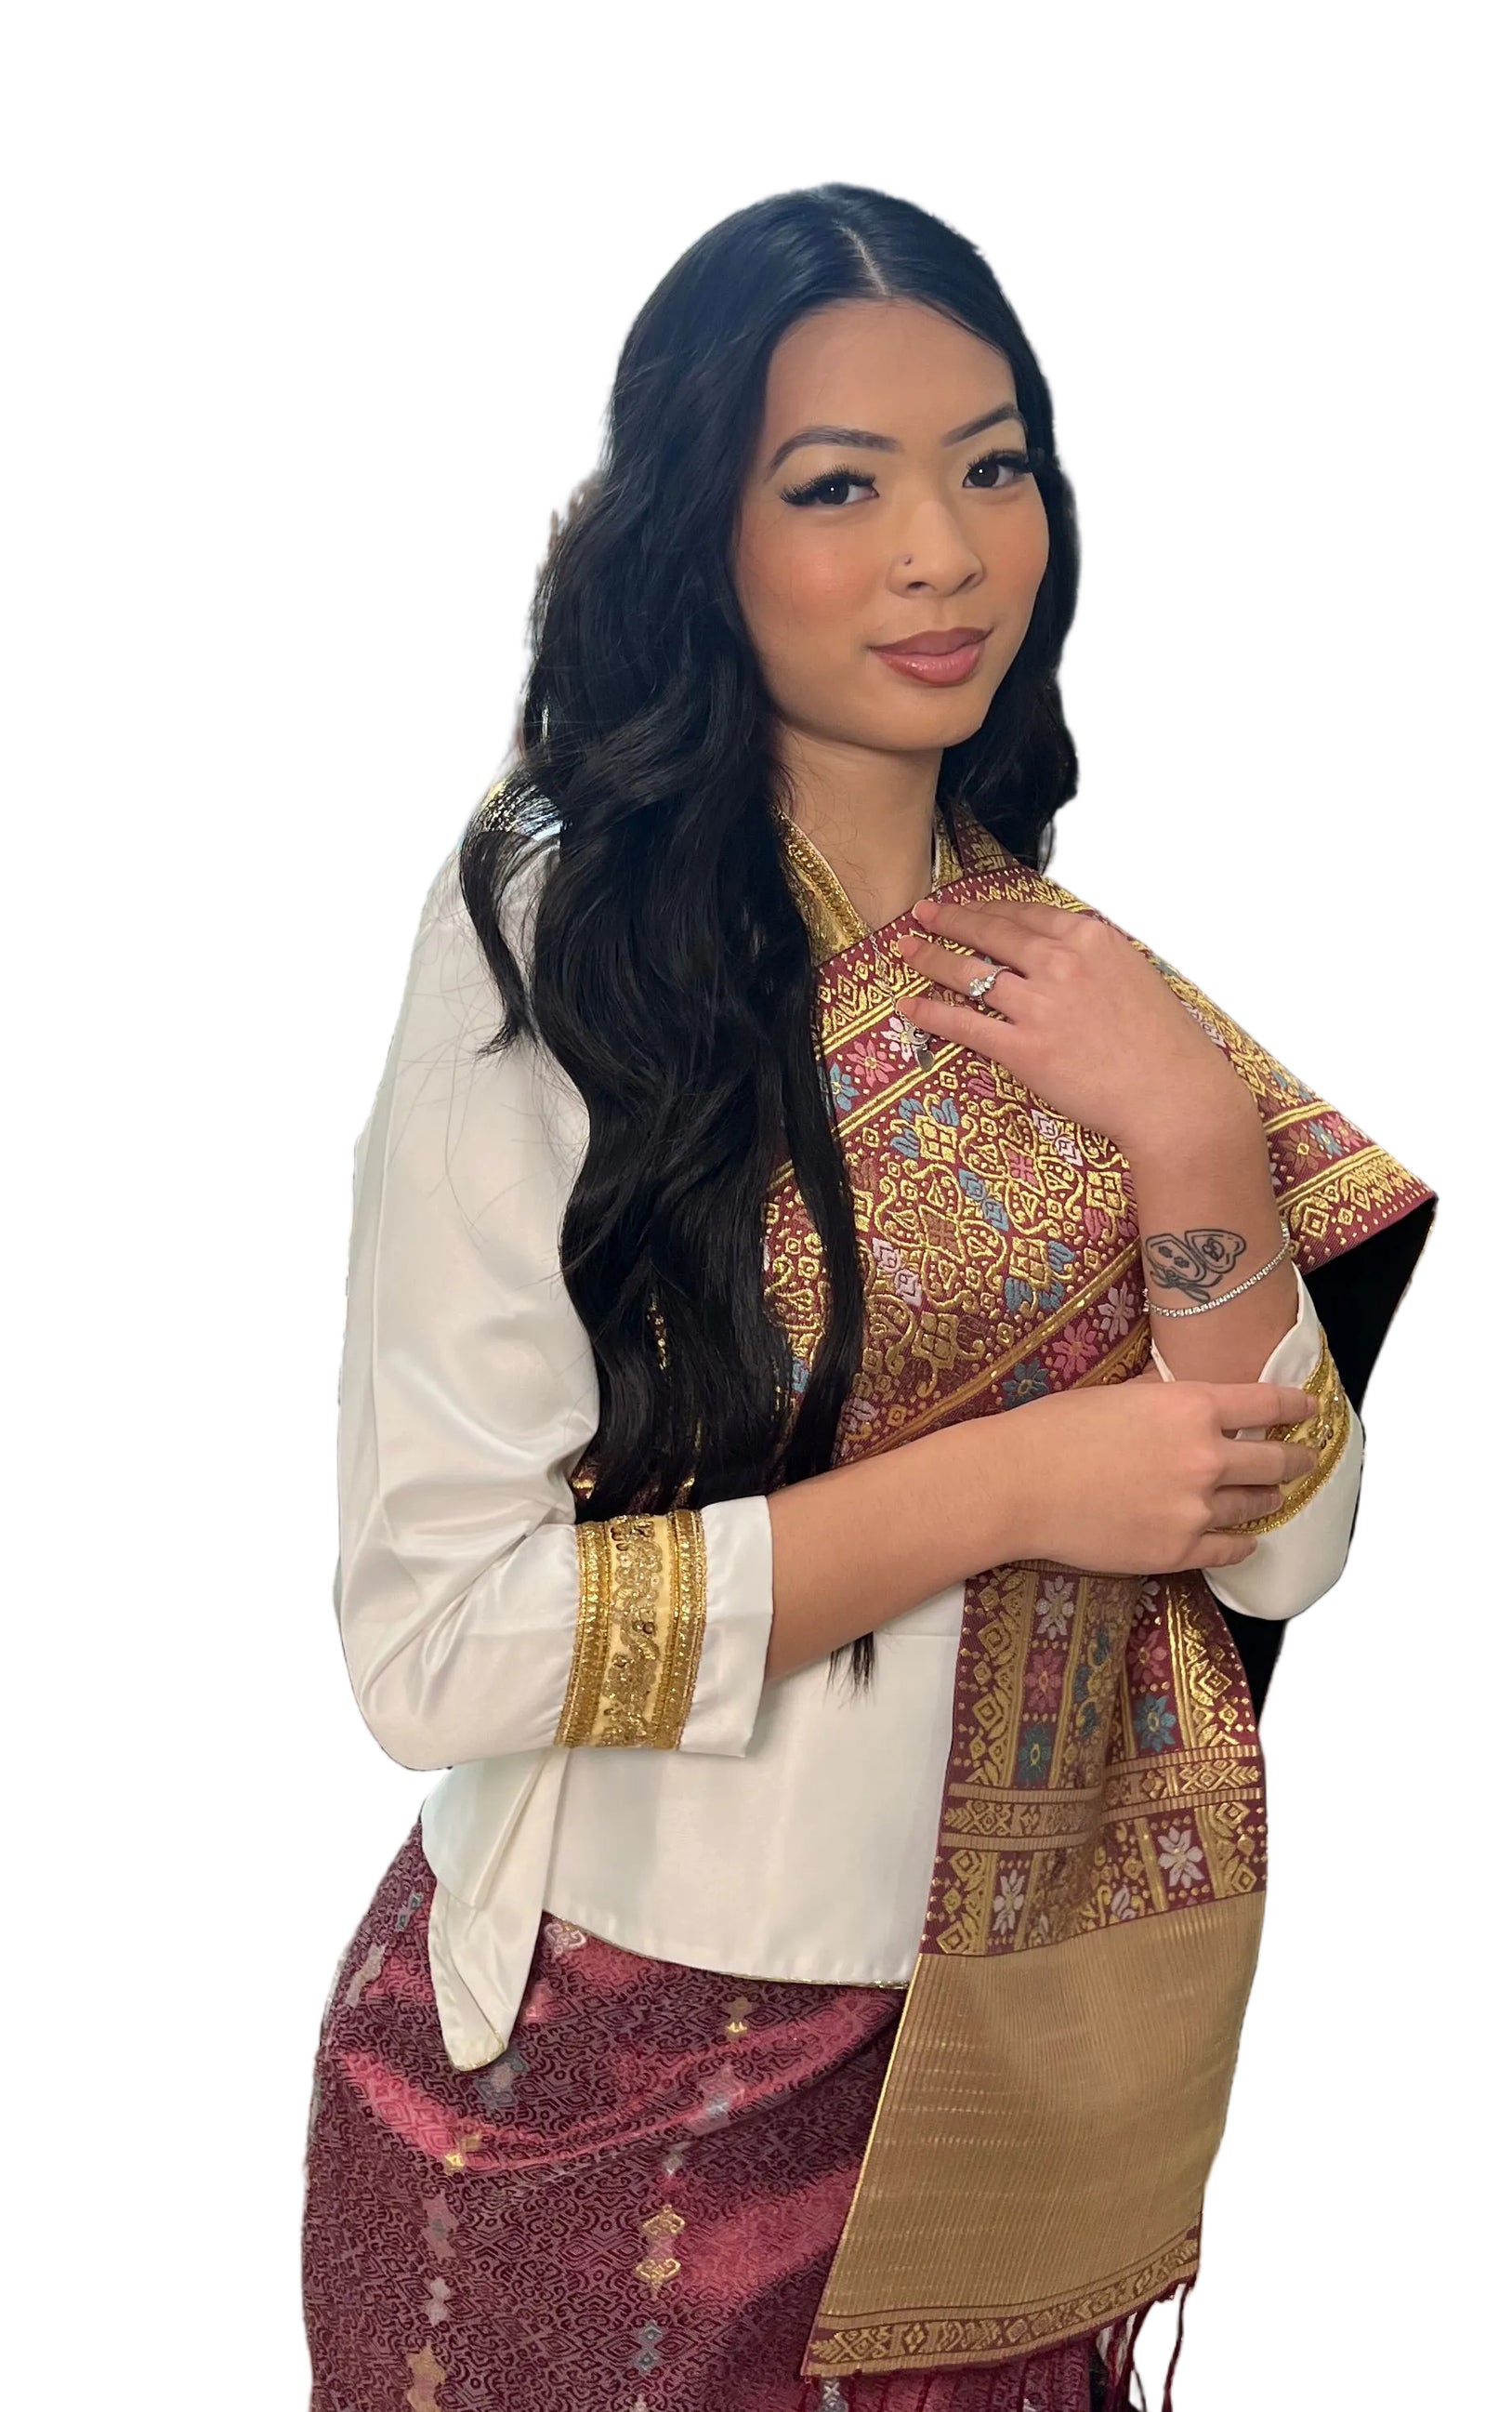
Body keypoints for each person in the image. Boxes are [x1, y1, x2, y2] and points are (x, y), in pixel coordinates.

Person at [301, 182, 1435, 2412]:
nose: (942, 551)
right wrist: (1015, 1482)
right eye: (838, 485)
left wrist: (1192, 1136)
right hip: (600, 2083)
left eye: (990, 466)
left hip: (1003, 2097)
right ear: (695, 534)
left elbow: (1284, 1537)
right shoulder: (558, 940)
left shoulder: (1069, 986)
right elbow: (435, 1643)